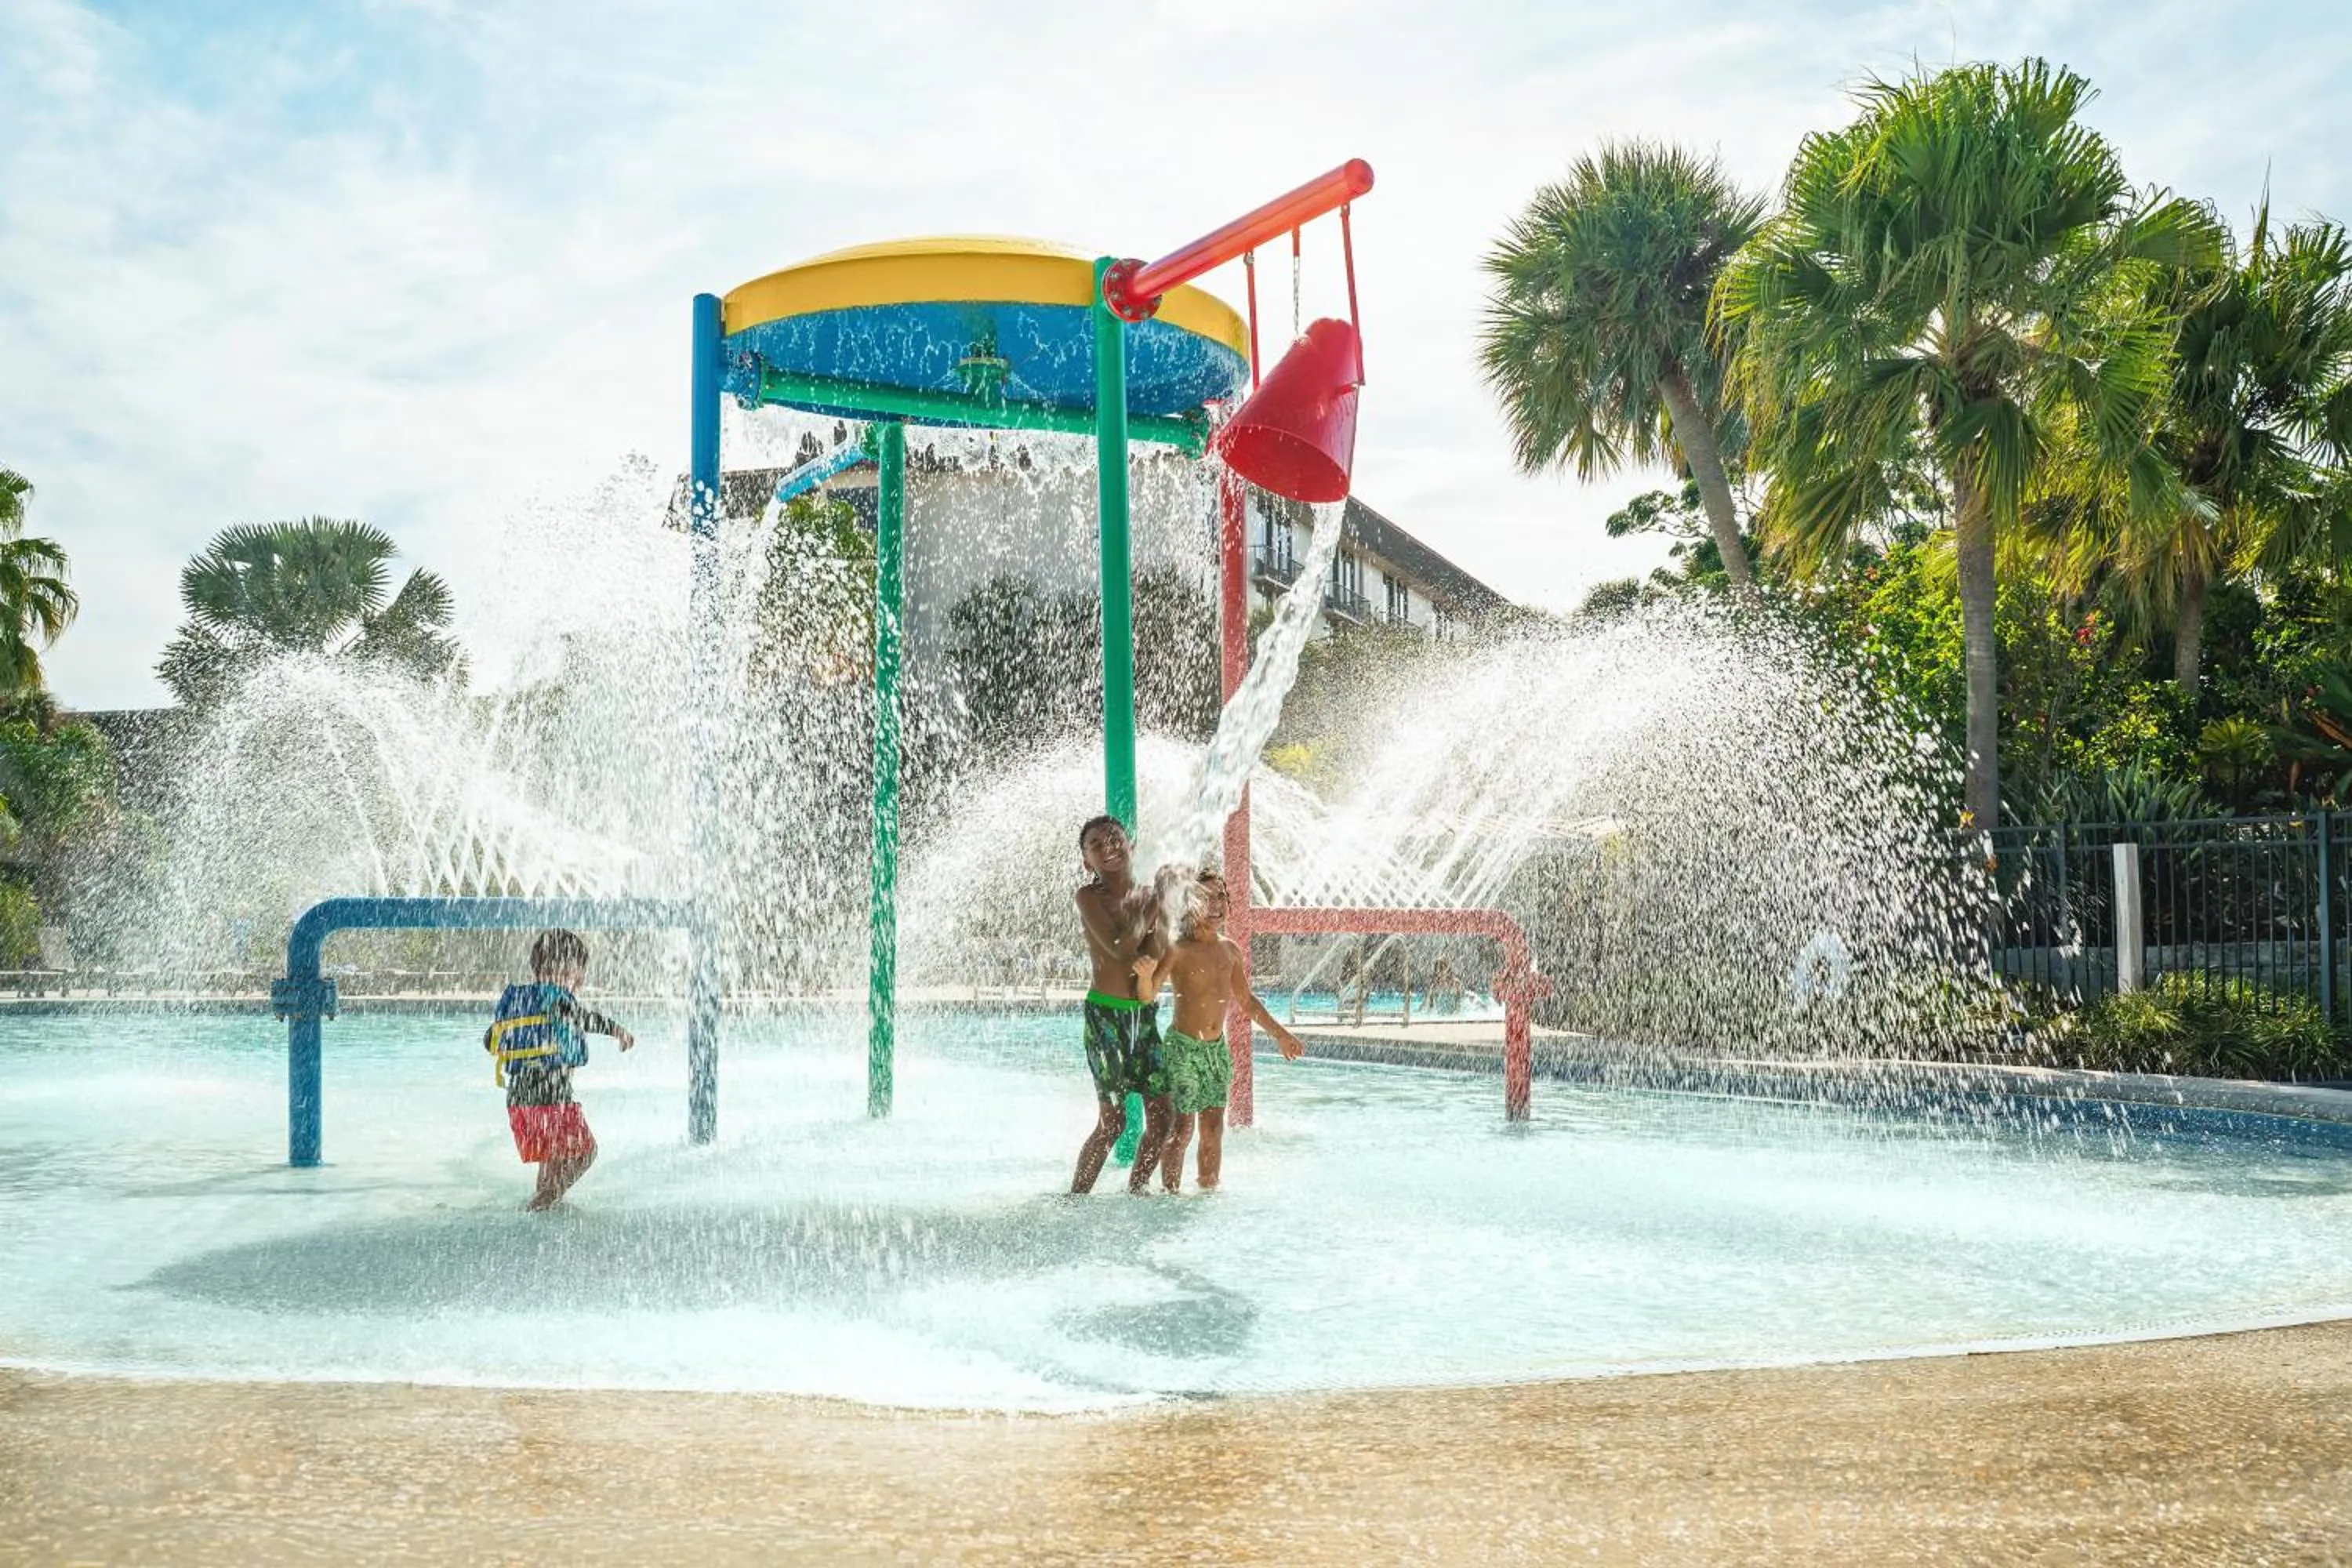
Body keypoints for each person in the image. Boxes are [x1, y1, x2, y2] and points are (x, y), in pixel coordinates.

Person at [1134, 868, 1303, 1193]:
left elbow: (1247, 1001)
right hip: (1183, 1051)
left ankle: (1208, 1189)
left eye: (1221, 896)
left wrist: (1280, 1034)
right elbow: (1148, 995)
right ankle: (1171, 1192)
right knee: (1181, 1131)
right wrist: (1144, 977)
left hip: (1216, 1052)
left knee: (1213, 1130)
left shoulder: (1230, 950)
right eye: (1205, 897)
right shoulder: (1178, 948)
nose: (1215, 904)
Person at [485, 928, 634, 1212]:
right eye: (574, 973)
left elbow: (490, 1039)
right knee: (585, 1153)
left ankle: (543, 1206)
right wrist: (617, 1030)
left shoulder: (519, 1003)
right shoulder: (558, 1000)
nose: (577, 980)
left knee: (552, 1159)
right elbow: (583, 1018)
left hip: (519, 1101)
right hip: (551, 1098)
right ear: (565, 971)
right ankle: (542, 1202)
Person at [1070, 815, 1173, 1195]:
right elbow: (1118, 950)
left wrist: (1162, 909)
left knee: (1163, 1117)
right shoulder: (1088, 897)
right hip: (1105, 1018)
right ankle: (1076, 1198)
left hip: (1142, 1016)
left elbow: (1153, 953)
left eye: (1115, 838)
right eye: (1096, 845)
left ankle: (1137, 1191)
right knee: (1112, 1123)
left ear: (1131, 845)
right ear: (1087, 862)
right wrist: (1155, 904)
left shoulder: (1150, 897)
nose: (1108, 847)